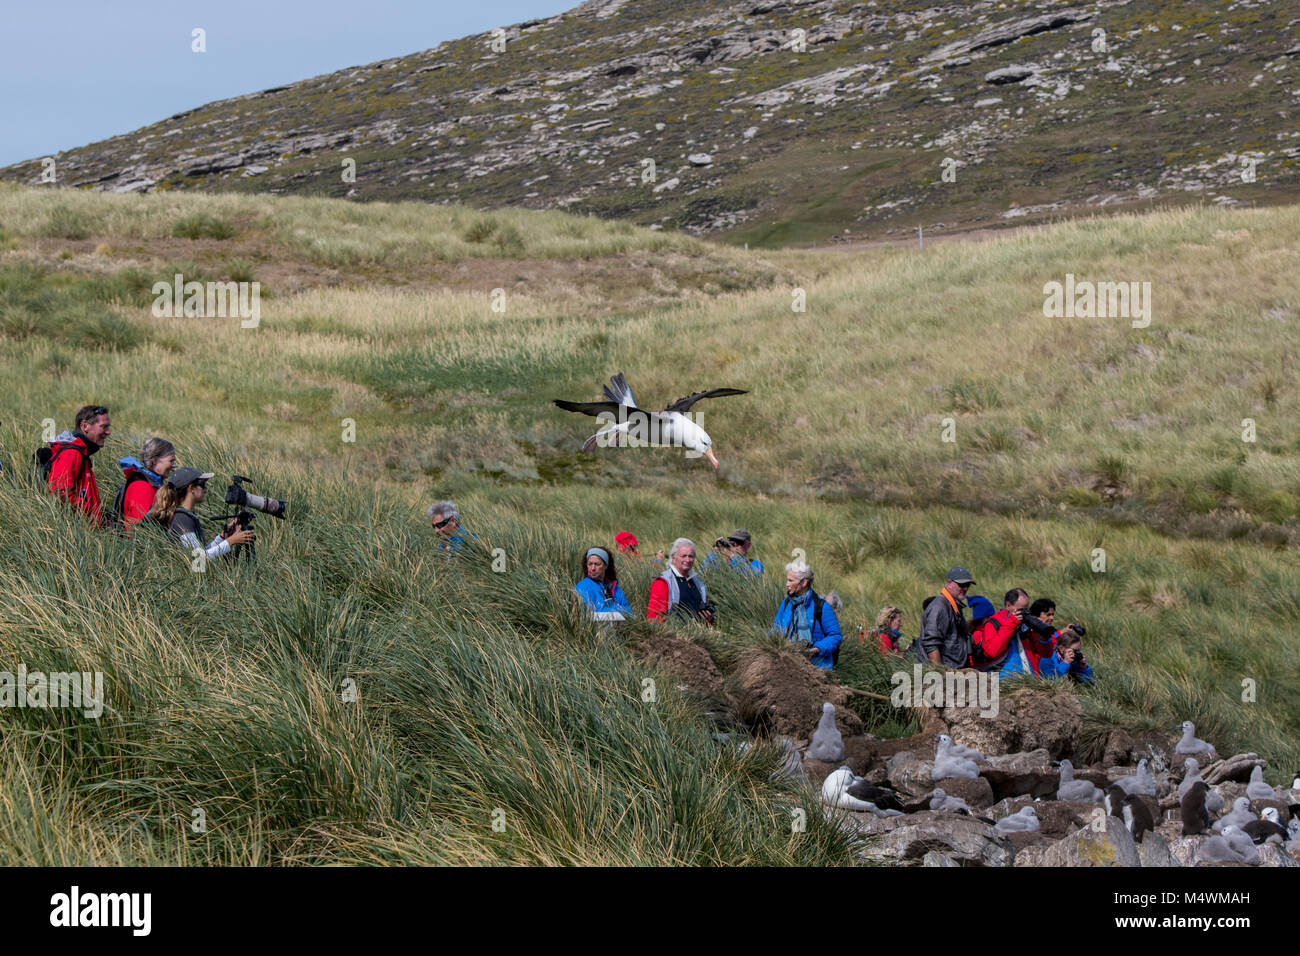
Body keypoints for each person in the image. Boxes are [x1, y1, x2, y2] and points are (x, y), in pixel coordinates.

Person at [149, 467, 254, 561]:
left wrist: (221, 538)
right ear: (191, 488)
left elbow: (201, 552)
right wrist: (230, 541)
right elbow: (199, 560)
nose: (205, 490)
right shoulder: (182, 519)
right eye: (202, 485)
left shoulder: (185, 516)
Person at [47, 405, 111, 526]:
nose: (108, 432)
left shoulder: (82, 453)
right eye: (104, 427)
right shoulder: (72, 453)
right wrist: (90, 517)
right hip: (78, 534)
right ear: (85, 426)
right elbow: (59, 492)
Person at [772, 561, 842, 669]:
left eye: (790, 580)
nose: (787, 584)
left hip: (817, 668)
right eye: (787, 580)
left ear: (804, 583)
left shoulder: (822, 607)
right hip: (787, 665)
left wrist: (816, 649)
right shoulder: (786, 603)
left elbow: (835, 636)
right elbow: (776, 628)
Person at [908, 566, 975, 668]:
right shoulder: (939, 607)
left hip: (954, 671)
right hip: (945, 673)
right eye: (962, 584)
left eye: (968, 585)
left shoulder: (953, 605)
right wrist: (939, 673)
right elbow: (931, 643)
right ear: (949, 583)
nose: (965, 588)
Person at [647, 538, 714, 625]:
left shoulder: (698, 583)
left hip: (700, 635)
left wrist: (709, 620)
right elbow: (655, 619)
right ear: (673, 558)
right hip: (675, 636)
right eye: (683, 556)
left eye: (691, 556)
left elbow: (707, 620)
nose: (688, 560)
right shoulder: (662, 582)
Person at [114, 437, 177, 528]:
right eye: (171, 461)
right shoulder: (141, 487)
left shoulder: (152, 483)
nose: (173, 466)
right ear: (155, 460)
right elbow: (141, 529)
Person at [971, 589, 1030, 671]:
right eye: (1021, 610)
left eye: (1026, 609)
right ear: (1008, 606)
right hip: (1004, 679)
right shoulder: (994, 624)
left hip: (1026, 677)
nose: (1024, 613)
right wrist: (1012, 622)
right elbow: (991, 651)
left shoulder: (1025, 624)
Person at [574, 546, 633, 620]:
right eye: (590, 564)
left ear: (606, 566)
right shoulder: (583, 587)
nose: (593, 568)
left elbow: (630, 613)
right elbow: (590, 614)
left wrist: (615, 611)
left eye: (597, 564)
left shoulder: (614, 588)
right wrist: (618, 609)